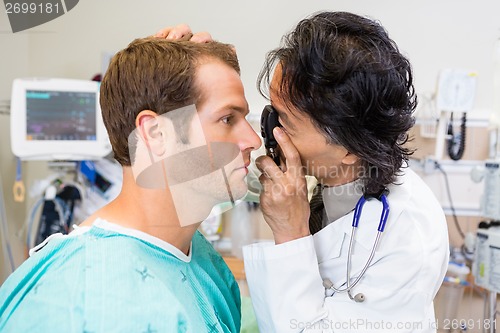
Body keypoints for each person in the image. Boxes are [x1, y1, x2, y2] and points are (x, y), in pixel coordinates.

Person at [159, 11, 449, 333]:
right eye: (271, 111)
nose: (264, 133)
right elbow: (203, 184)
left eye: (285, 122)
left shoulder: (407, 242)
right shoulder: (336, 173)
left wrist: (290, 232)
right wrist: (174, 90)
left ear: (349, 148)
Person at [0, 37, 261, 332]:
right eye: (228, 119)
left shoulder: (199, 260)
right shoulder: (78, 300)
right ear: (156, 134)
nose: (254, 140)